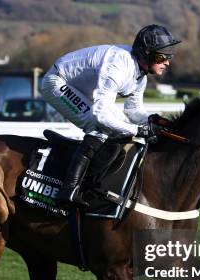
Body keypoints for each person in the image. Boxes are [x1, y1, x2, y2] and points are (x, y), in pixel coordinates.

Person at [40, 24, 181, 207]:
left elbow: (132, 110)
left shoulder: (140, 76)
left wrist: (151, 119)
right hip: (57, 82)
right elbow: (100, 115)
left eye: (169, 57)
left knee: (117, 128)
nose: (168, 62)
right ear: (146, 53)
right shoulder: (119, 65)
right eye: (163, 57)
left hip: (81, 91)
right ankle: (69, 189)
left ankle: (92, 183)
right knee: (100, 126)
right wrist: (138, 129)